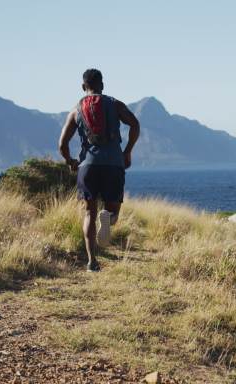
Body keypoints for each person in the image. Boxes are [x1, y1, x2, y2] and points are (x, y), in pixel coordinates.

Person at [58, 68, 140, 271]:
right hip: (113, 164)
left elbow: (62, 144)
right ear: (102, 85)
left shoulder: (76, 111)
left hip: (88, 166)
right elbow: (135, 124)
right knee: (112, 213)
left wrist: (71, 161)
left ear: (83, 86)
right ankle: (109, 217)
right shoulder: (115, 104)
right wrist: (127, 151)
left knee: (89, 214)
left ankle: (92, 261)